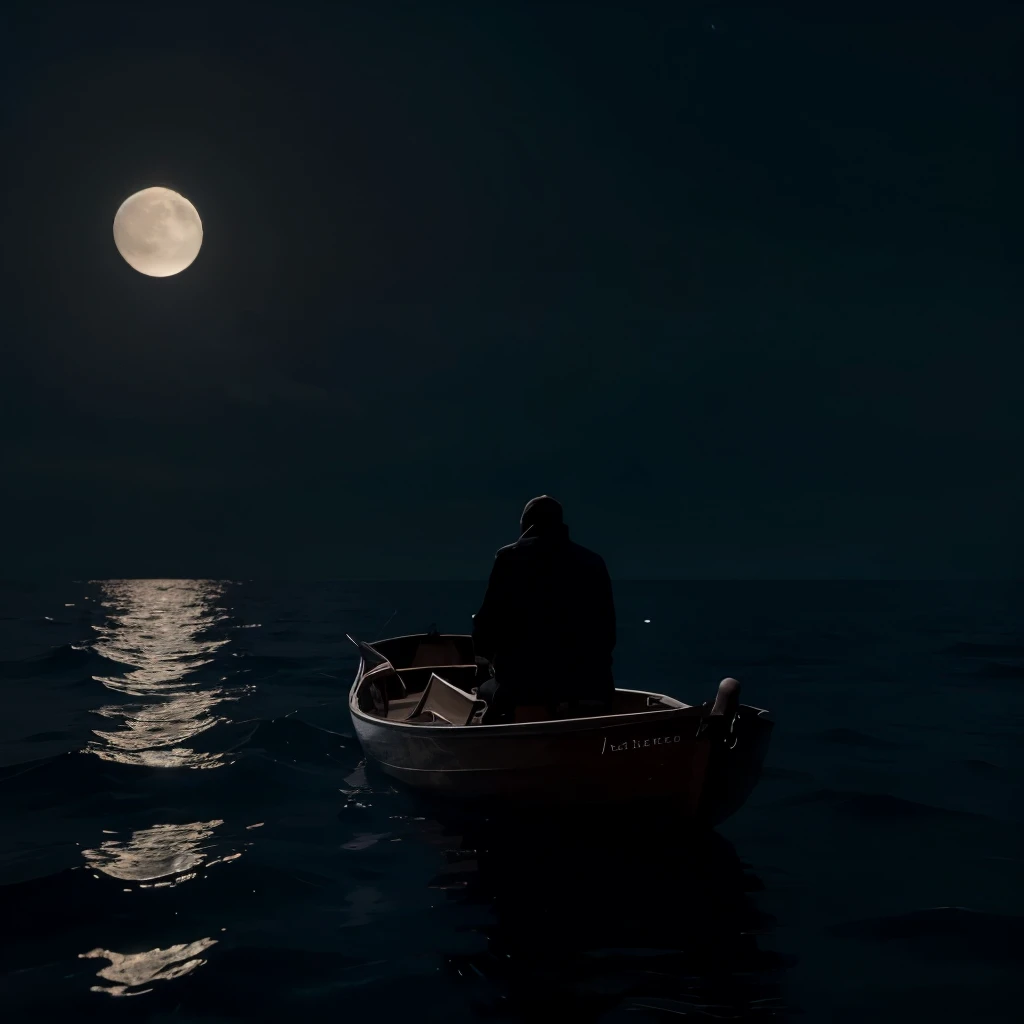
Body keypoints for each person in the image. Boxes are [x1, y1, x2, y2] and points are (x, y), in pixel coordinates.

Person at [472, 495, 616, 721]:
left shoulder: (509, 558)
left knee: (482, 691)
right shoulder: (594, 562)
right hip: (591, 687)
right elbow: (608, 634)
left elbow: (485, 631)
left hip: (528, 691)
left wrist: (492, 659)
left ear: (525, 525)